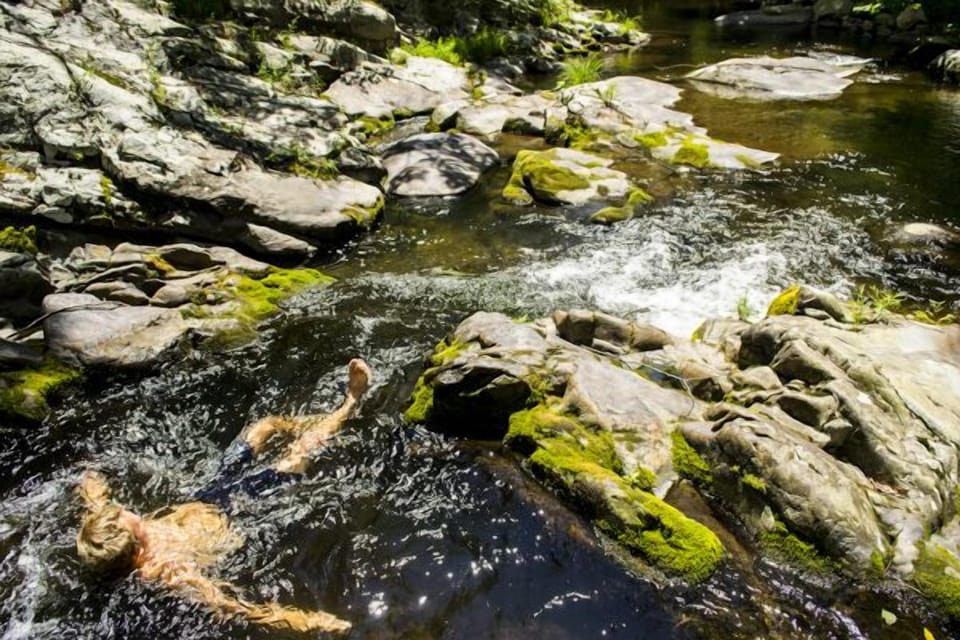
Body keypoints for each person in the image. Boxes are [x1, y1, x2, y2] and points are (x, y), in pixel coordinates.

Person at [75, 358, 372, 634]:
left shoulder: (107, 532)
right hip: (237, 511)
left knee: (265, 426)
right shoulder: (168, 570)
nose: (126, 511)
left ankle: (309, 423)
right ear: (137, 548)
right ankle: (350, 403)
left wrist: (88, 474)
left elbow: (97, 500)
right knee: (302, 451)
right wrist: (307, 621)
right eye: (131, 518)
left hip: (207, 494)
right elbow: (227, 606)